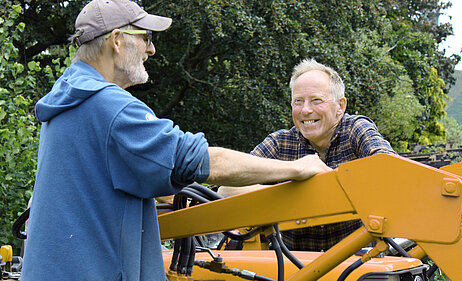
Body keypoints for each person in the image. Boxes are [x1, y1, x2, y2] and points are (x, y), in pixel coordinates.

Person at [20, 1, 331, 280]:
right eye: (145, 38)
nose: (151, 50)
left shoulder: (65, 102)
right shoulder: (111, 108)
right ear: (116, 40)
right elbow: (204, 162)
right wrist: (296, 169)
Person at [218, 58, 395, 252]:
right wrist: (294, 173)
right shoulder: (280, 143)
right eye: (298, 101)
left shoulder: (355, 130)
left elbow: (391, 170)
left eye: (316, 100)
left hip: (357, 264)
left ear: (340, 106)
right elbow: (226, 191)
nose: (306, 110)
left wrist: (324, 182)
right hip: (294, 266)